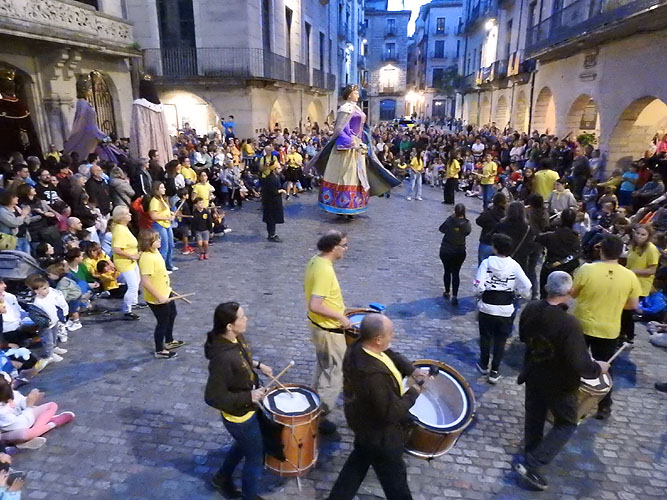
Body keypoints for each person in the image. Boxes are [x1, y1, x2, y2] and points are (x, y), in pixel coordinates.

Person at [515, 272, 609, 491]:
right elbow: (580, 364)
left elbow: (523, 337)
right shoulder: (568, 323)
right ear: (569, 292)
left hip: (534, 373)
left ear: (547, 287)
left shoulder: (530, 309)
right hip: (560, 383)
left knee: (534, 418)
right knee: (566, 423)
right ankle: (533, 462)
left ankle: (531, 453)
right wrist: (599, 368)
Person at [327, 314, 427, 500]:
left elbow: (389, 354)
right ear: (378, 339)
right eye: (391, 333)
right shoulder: (372, 377)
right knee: (396, 484)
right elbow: (391, 412)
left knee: (358, 462)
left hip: (364, 425)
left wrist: (411, 369)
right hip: (381, 437)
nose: (393, 336)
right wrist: (415, 391)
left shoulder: (359, 346)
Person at [204, 302, 273, 500]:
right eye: (242, 317)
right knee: (255, 457)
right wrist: (248, 396)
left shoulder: (235, 338)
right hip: (240, 416)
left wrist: (258, 365)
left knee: (244, 445)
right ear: (229, 326)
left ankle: (222, 477)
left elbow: (241, 359)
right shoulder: (222, 359)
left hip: (248, 409)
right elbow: (213, 396)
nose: (246, 319)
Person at [571, 234, 641, 420]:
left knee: (575, 363)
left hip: (583, 323)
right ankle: (604, 406)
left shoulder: (587, 269)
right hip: (609, 328)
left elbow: (573, 293)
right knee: (605, 368)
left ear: (600, 249)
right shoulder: (630, 276)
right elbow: (633, 305)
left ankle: (568, 397)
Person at [308, 85, 399, 216]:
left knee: (357, 177)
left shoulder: (357, 108)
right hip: (346, 149)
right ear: (349, 94)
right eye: (355, 93)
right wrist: (351, 143)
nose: (358, 95)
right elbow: (340, 129)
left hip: (358, 146)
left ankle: (353, 205)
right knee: (345, 176)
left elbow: (362, 129)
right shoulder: (345, 108)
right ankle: (340, 206)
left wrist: (364, 142)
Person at [304, 230, 350, 433]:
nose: (346, 249)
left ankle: (312, 404)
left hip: (318, 327)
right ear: (334, 247)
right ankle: (319, 416)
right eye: (344, 245)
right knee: (334, 372)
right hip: (328, 330)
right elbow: (315, 304)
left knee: (323, 366)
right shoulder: (325, 270)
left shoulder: (316, 260)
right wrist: (341, 317)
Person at [474, 233, 532, 383]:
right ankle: (495, 370)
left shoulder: (486, 263)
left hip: (487, 306)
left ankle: (483, 364)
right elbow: (527, 285)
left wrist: (479, 293)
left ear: (495, 248)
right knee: (501, 340)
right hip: (506, 308)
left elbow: (478, 285)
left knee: (485, 337)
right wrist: (519, 293)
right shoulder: (514, 265)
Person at [137, 230, 184, 359]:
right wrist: (159, 297)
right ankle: (159, 350)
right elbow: (145, 281)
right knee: (162, 322)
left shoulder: (155, 252)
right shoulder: (147, 258)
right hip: (157, 297)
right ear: (148, 242)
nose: (160, 240)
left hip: (165, 291)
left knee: (172, 314)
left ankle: (169, 340)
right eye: (157, 239)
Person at [620, 224, 659, 343]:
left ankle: (628, 336)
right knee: (623, 310)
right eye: (637, 233)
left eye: (643, 235)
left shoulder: (651, 249)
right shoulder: (634, 246)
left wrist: (633, 271)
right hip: (628, 282)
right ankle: (623, 333)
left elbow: (652, 270)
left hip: (640, 285)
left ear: (648, 236)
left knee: (627, 311)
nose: (639, 236)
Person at [535, 208, 581, 299]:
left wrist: (551, 224)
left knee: (545, 295)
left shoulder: (551, 235)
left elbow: (537, 238)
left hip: (550, 268)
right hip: (567, 269)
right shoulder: (576, 238)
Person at [110, 206, 141, 320]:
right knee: (133, 286)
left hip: (131, 260)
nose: (130, 215)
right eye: (128, 214)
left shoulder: (124, 227)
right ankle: (127, 310)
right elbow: (116, 249)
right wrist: (131, 255)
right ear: (121, 217)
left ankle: (133, 302)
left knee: (137, 281)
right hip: (125, 262)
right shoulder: (120, 230)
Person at [438, 203, 471, 306]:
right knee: (456, 273)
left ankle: (447, 291)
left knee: (447, 271)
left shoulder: (449, 221)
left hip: (446, 249)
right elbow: (467, 232)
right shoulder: (466, 223)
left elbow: (441, 229)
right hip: (459, 250)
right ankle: (455, 296)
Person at [147, 181, 177, 272]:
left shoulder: (161, 199)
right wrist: (167, 218)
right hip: (159, 225)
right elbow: (153, 216)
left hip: (167, 224)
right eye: (162, 188)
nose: (164, 189)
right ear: (156, 190)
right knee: (164, 247)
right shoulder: (154, 201)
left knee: (170, 245)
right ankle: (161, 268)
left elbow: (164, 211)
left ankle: (169, 264)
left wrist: (170, 213)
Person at [475, 193, 507, 265]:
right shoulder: (506, 214)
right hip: (499, 244)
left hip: (486, 241)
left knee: (483, 266)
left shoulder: (489, 212)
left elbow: (478, 221)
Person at [259, 160, 286, 242]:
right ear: (274, 169)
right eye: (278, 168)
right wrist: (281, 191)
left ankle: (272, 234)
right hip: (271, 202)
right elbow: (273, 191)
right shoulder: (270, 179)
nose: (280, 169)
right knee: (271, 219)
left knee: (273, 219)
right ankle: (271, 235)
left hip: (274, 201)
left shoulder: (275, 177)